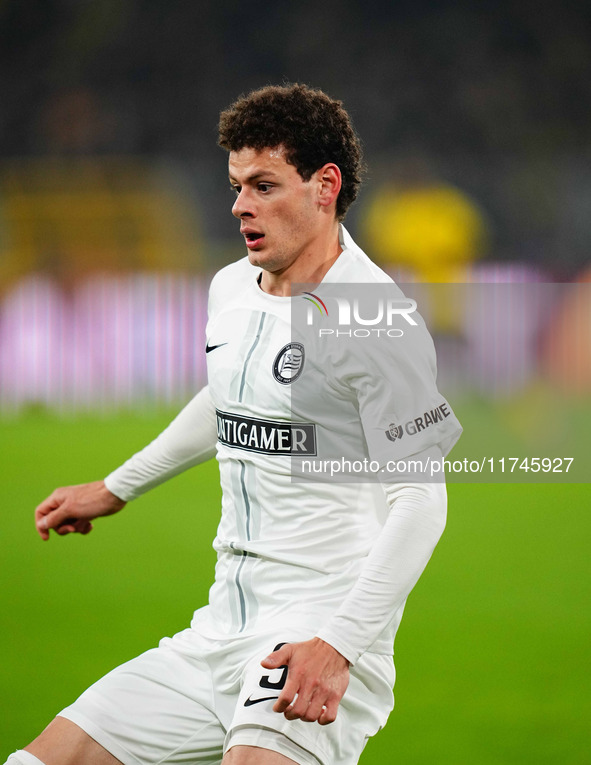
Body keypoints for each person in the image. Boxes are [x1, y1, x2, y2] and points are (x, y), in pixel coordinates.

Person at [5, 84, 462, 765]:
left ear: (323, 186)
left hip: (316, 639)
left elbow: (421, 501)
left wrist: (336, 647)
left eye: (263, 185)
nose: (240, 205)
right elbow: (228, 397)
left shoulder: (373, 319)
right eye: (235, 185)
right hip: (216, 634)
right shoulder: (231, 289)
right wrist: (117, 486)